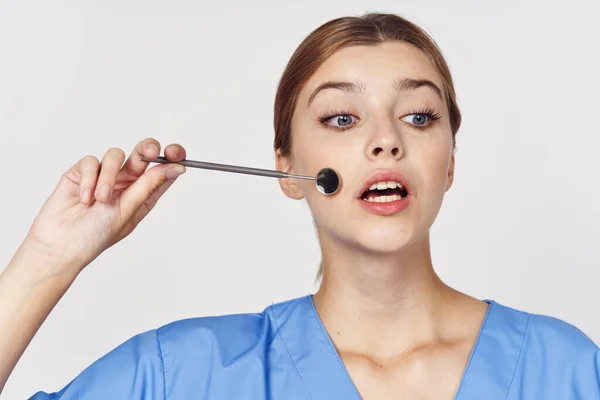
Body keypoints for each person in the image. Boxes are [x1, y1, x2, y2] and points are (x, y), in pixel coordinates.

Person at [0, 12, 598, 400]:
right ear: (287, 168)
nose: (386, 138)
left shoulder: (567, 370)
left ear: (447, 161)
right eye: (342, 117)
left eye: (419, 116)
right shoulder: (180, 374)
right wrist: (48, 258)